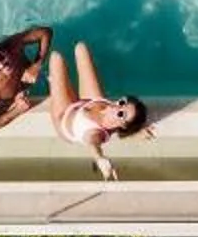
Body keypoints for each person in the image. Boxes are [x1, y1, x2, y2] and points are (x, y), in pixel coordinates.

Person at [46, 39, 150, 180]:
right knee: (81, 48)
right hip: (91, 102)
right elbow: (124, 128)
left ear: (121, 124)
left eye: (121, 113)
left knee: (56, 58)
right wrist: (137, 131)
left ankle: (54, 84)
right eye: (122, 102)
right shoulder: (108, 107)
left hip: (64, 116)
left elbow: (93, 144)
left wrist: (100, 158)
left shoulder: (95, 133)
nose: (116, 107)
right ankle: (61, 85)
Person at [0, 26, 52, 134]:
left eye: (1, 57)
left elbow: (45, 32)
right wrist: (17, 110)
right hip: (11, 101)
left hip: (30, 81)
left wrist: (37, 63)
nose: (2, 65)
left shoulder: (13, 45)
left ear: (3, 49)